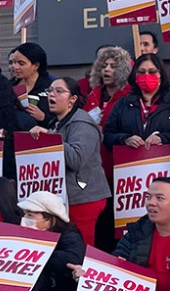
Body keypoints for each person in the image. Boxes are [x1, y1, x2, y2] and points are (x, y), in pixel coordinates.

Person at [29, 77, 110, 245]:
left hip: (84, 197)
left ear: (72, 99)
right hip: (68, 197)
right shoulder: (57, 122)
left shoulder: (82, 123)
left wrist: (50, 138)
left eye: (59, 91)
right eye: (50, 91)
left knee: (81, 247)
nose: (52, 95)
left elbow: (76, 159)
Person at [108, 54, 170, 152]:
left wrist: (163, 138)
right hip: (131, 162)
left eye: (152, 72)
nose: (146, 76)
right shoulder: (123, 103)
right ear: (135, 75)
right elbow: (108, 135)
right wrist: (125, 139)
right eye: (141, 72)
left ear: (161, 74)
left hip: (167, 163)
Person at [83, 45, 131, 125]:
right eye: (104, 66)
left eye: (113, 66)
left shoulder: (129, 98)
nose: (106, 69)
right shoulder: (93, 95)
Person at [8, 42, 53, 126]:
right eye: (13, 62)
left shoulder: (51, 86)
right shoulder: (9, 86)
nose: (15, 67)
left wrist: (44, 117)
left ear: (36, 66)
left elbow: (63, 116)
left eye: (21, 63)